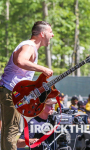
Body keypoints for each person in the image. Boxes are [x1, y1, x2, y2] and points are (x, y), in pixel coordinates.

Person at [0, 21, 54, 150]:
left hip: (9, 91)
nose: (52, 35)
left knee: (8, 129)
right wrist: (43, 69)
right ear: (42, 33)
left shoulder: (30, 46)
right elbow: (20, 61)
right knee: (12, 130)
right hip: (11, 92)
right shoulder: (29, 46)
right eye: (50, 32)